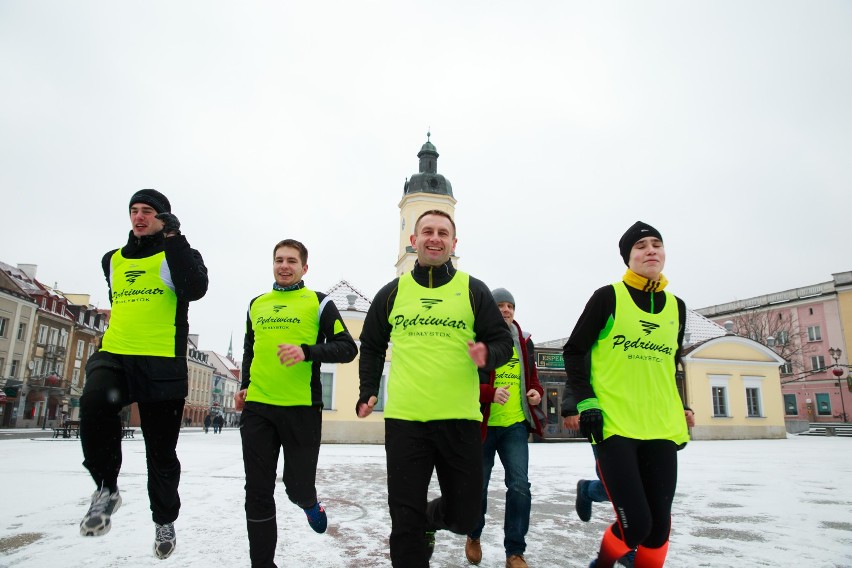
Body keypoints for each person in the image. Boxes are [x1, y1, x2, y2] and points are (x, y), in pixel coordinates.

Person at [357, 209, 513, 568]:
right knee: (403, 518)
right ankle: (414, 527)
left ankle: (429, 521)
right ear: (414, 240)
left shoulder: (473, 290)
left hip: (459, 419)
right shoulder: (393, 292)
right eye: (427, 231)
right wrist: (368, 388)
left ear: (453, 243)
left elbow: (502, 342)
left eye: (443, 233)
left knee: (464, 515)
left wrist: (488, 353)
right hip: (406, 420)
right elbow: (372, 344)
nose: (434, 238)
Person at [78, 189, 208, 560]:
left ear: (162, 217)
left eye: (147, 211)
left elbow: (195, 289)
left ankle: (164, 520)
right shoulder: (113, 260)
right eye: (133, 210)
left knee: (161, 453)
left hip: (161, 363)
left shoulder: (177, 254)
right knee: (94, 403)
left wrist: (174, 240)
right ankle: (106, 488)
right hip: (116, 353)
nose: (139, 217)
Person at [560, 221, 689, 568]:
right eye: (641, 246)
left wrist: (684, 406)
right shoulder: (608, 297)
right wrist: (585, 401)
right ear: (627, 257)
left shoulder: (677, 306)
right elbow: (574, 351)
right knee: (637, 526)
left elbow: (670, 363)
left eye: (656, 244)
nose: (651, 251)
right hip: (615, 425)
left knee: (659, 530)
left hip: (661, 424)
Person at [235, 238, 357, 568]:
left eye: (291, 260)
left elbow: (347, 348)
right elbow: (251, 350)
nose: (284, 265)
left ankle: (308, 501)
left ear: (304, 267)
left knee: (296, 486)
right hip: (259, 407)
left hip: (302, 409)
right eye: (279, 260)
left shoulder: (319, 303)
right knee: (257, 491)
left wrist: (307, 351)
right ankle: (262, 563)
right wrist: (245, 385)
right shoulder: (256, 304)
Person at [465, 288, 544, 568]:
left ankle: (515, 552)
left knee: (520, 486)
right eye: (499, 305)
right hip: (484, 425)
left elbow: (532, 377)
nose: (505, 310)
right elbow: (464, 381)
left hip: (515, 425)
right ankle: (473, 534)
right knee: (479, 486)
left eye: (510, 305)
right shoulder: (477, 341)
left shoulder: (524, 341)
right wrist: (490, 392)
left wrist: (535, 392)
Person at [566, 409, 696, 568]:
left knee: (638, 491)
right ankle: (623, 548)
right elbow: (580, 384)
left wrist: (682, 408)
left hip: (645, 425)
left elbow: (654, 386)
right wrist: (572, 409)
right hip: (609, 424)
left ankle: (588, 490)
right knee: (624, 491)